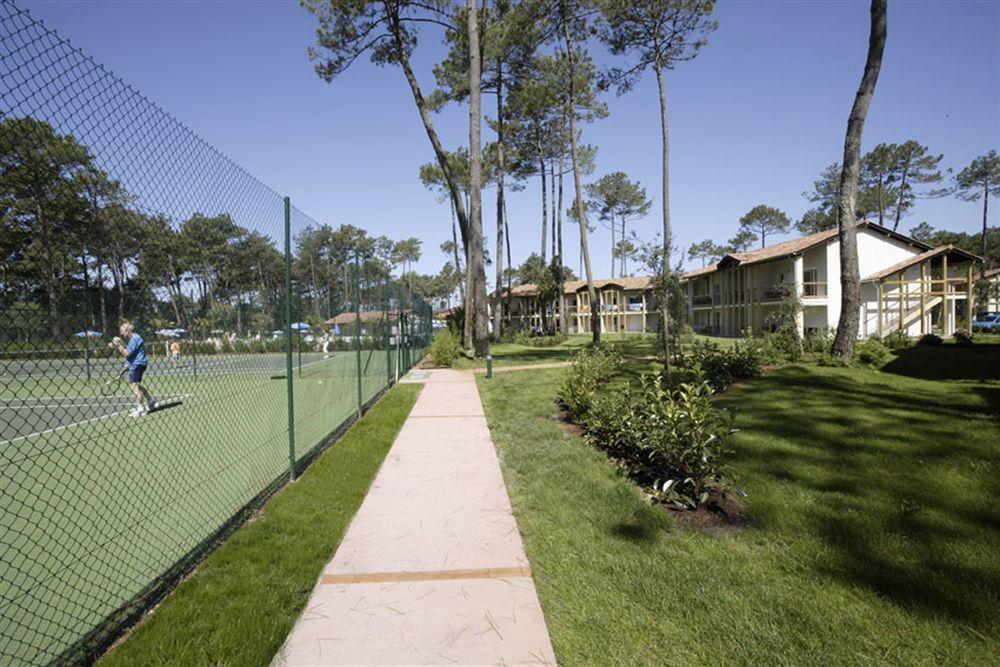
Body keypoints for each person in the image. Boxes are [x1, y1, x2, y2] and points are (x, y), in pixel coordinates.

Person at [109, 322, 157, 417]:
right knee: (136, 386)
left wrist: (118, 345)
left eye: (122, 331)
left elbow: (126, 353)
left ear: (128, 330)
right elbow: (131, 353)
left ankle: (140, 408)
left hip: (137, 364)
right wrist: (115, 346)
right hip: (136, 364)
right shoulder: (133, 338)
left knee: (134, 386)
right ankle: (151, 400)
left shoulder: (134, 339)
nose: (121, 334)